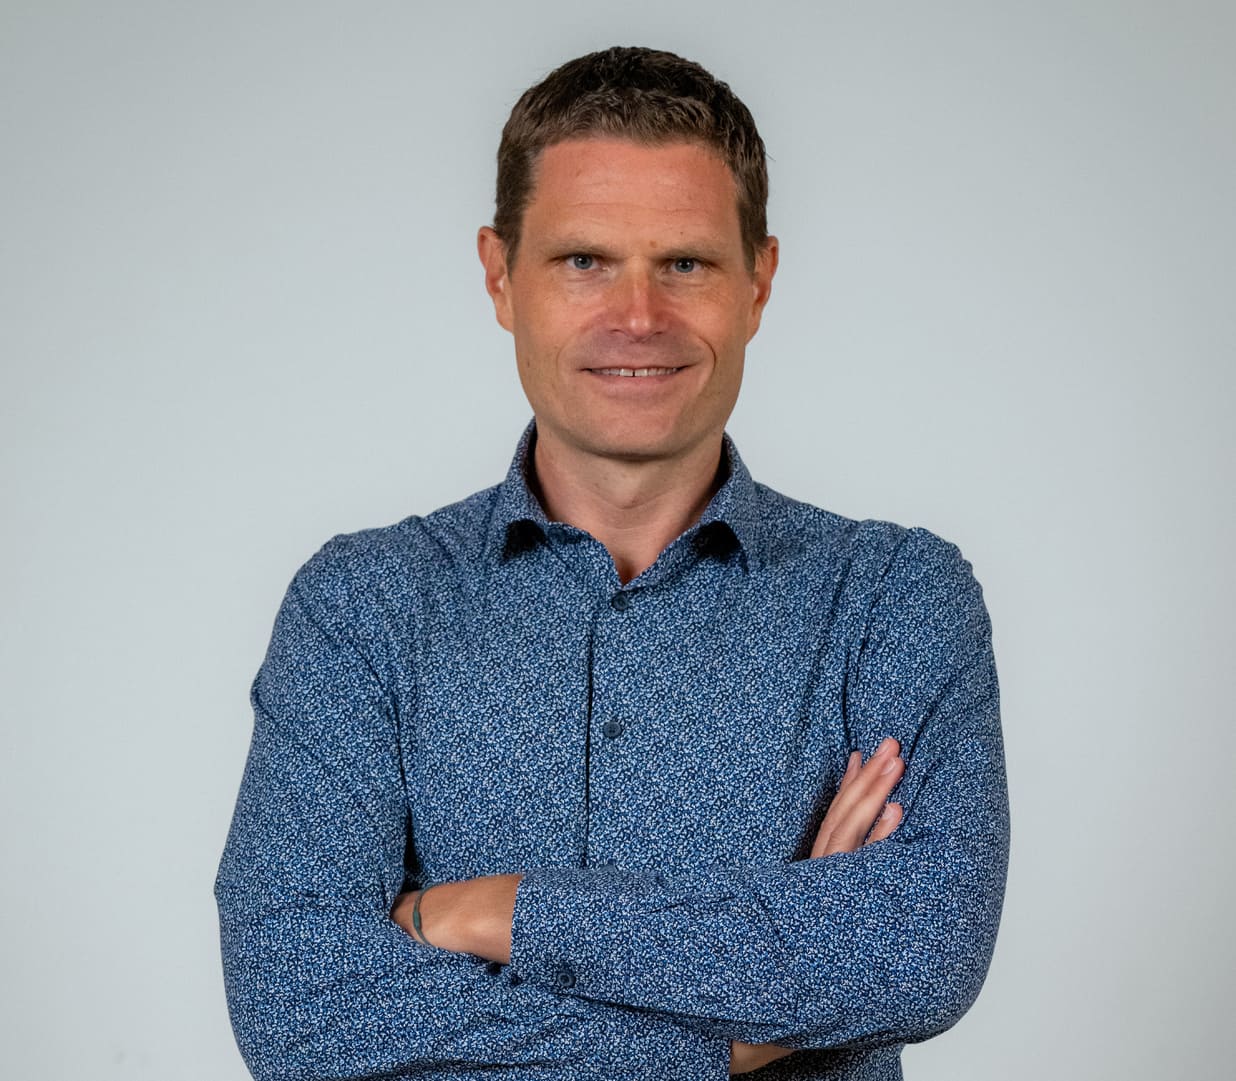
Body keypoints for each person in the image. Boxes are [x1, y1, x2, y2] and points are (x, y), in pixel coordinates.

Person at [216, 46, 1009, 1081]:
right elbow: (297, 1005)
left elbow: (919, 952)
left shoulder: (895, 598)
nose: (638, 316)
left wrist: (497, 911)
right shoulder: (362, 607)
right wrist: (758, 1018)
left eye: (685, 263)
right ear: (500, 275)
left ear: (759, 280)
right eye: (584, 260)